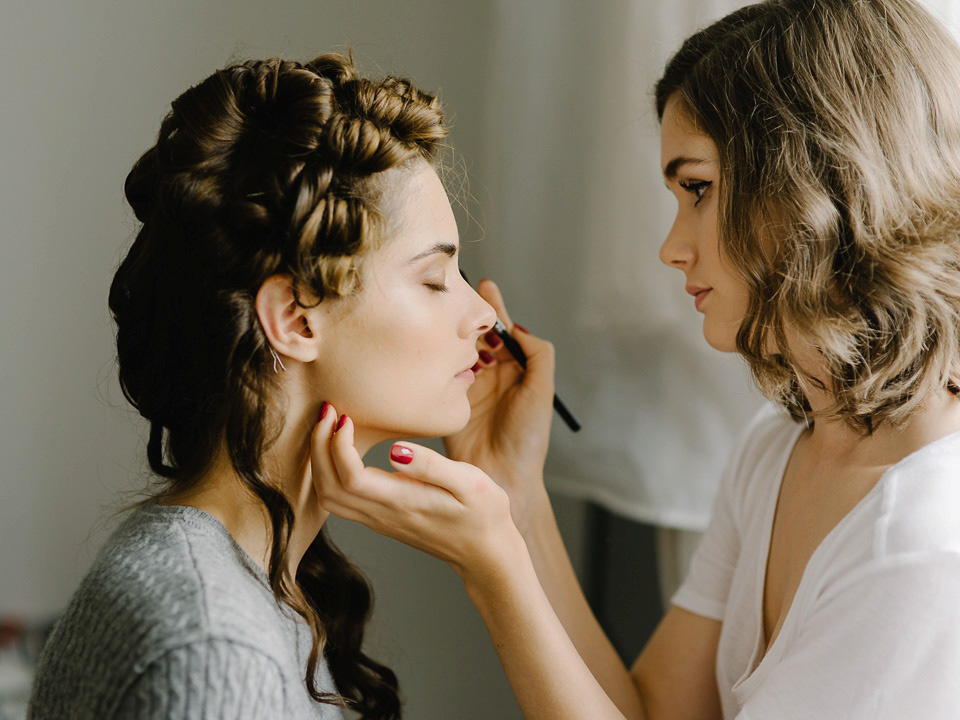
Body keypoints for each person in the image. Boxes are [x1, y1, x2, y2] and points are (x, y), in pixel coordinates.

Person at [311, 1, 960, 718]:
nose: (671, 248)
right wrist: (517, 500)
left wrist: (496, 569)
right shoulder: (779, 448)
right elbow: (650, 712)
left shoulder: (923, 546)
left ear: (820, 180)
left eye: (699, 190)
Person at [27, 53, 499, 719]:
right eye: (432, 279)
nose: (486, 317)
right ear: (295, 319)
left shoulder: (251, 584)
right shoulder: (214, 652)